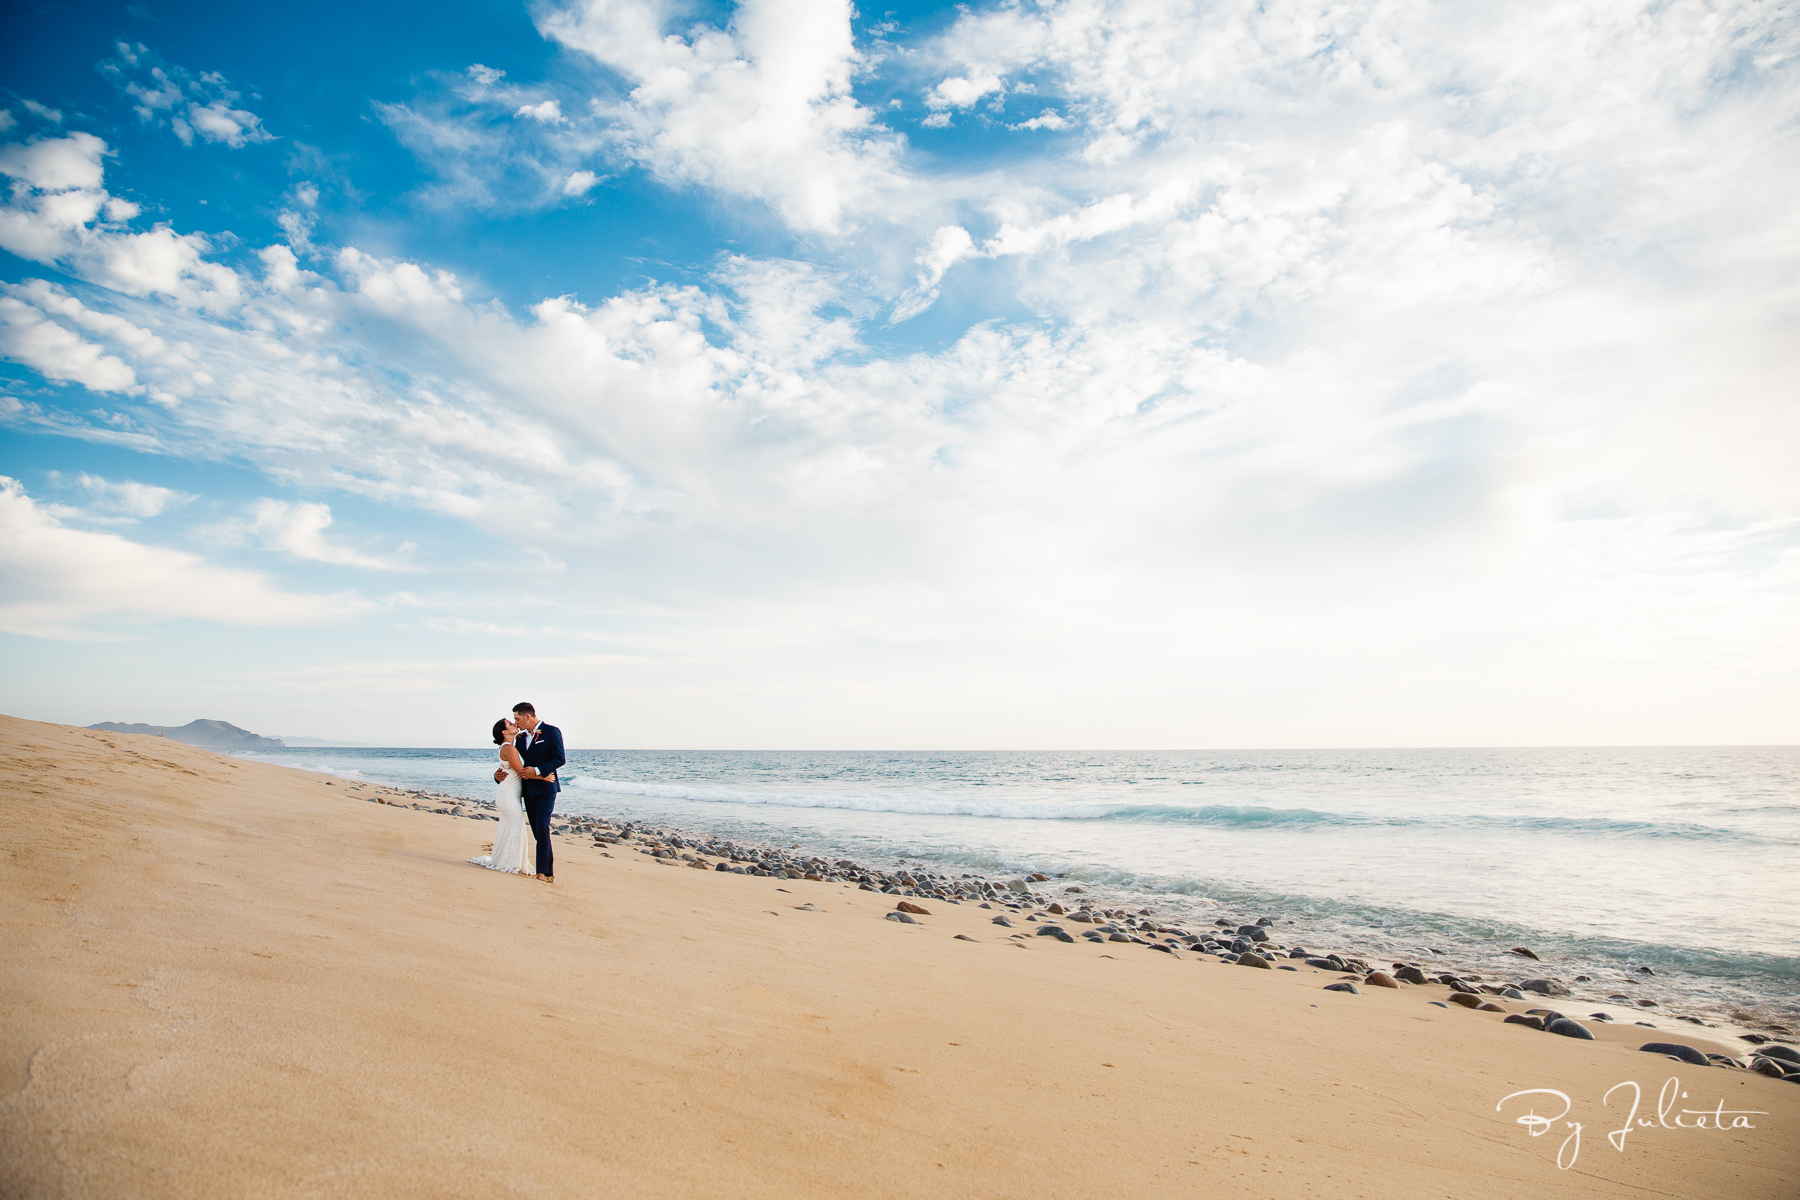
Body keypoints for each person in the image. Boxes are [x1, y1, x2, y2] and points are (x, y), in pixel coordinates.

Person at [494, 702, 564, 882]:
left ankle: (544, 872)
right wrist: (497, 776)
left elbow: (559, 759)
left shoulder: (551, 732)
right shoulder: (519, 738)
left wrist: (539, 771)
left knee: (542, 826)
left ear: (527, 717)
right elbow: (514, 765)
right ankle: (544, 870)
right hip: (527, 790)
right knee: (537, 830)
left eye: (517, 719)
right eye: (513, 721)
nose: (516, 723)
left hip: (547, 788)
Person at [468, 717, 535, 874]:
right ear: (505, 732)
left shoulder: (510, 746)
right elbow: (521, 772)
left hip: (508, 794)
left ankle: (506, 859)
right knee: (516, 826)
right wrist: (544, 776)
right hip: (508, 795)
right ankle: (511, 863)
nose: (514, 724)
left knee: (508, 827)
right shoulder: (509, 749)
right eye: (510, 724)